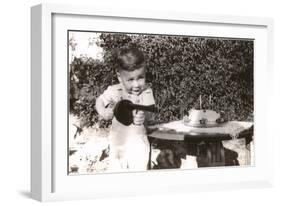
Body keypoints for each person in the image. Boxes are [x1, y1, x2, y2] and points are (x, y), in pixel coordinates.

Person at [95, 46, 156, 172]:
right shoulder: (114, 90)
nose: (136, 84)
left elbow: (152, 113)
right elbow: (99, 101)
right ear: (119, 77)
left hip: (138, 144)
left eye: (140, 77)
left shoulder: (146, 92)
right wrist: (103, 111)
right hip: (117, 144)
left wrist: (144, 116)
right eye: (130, 79)